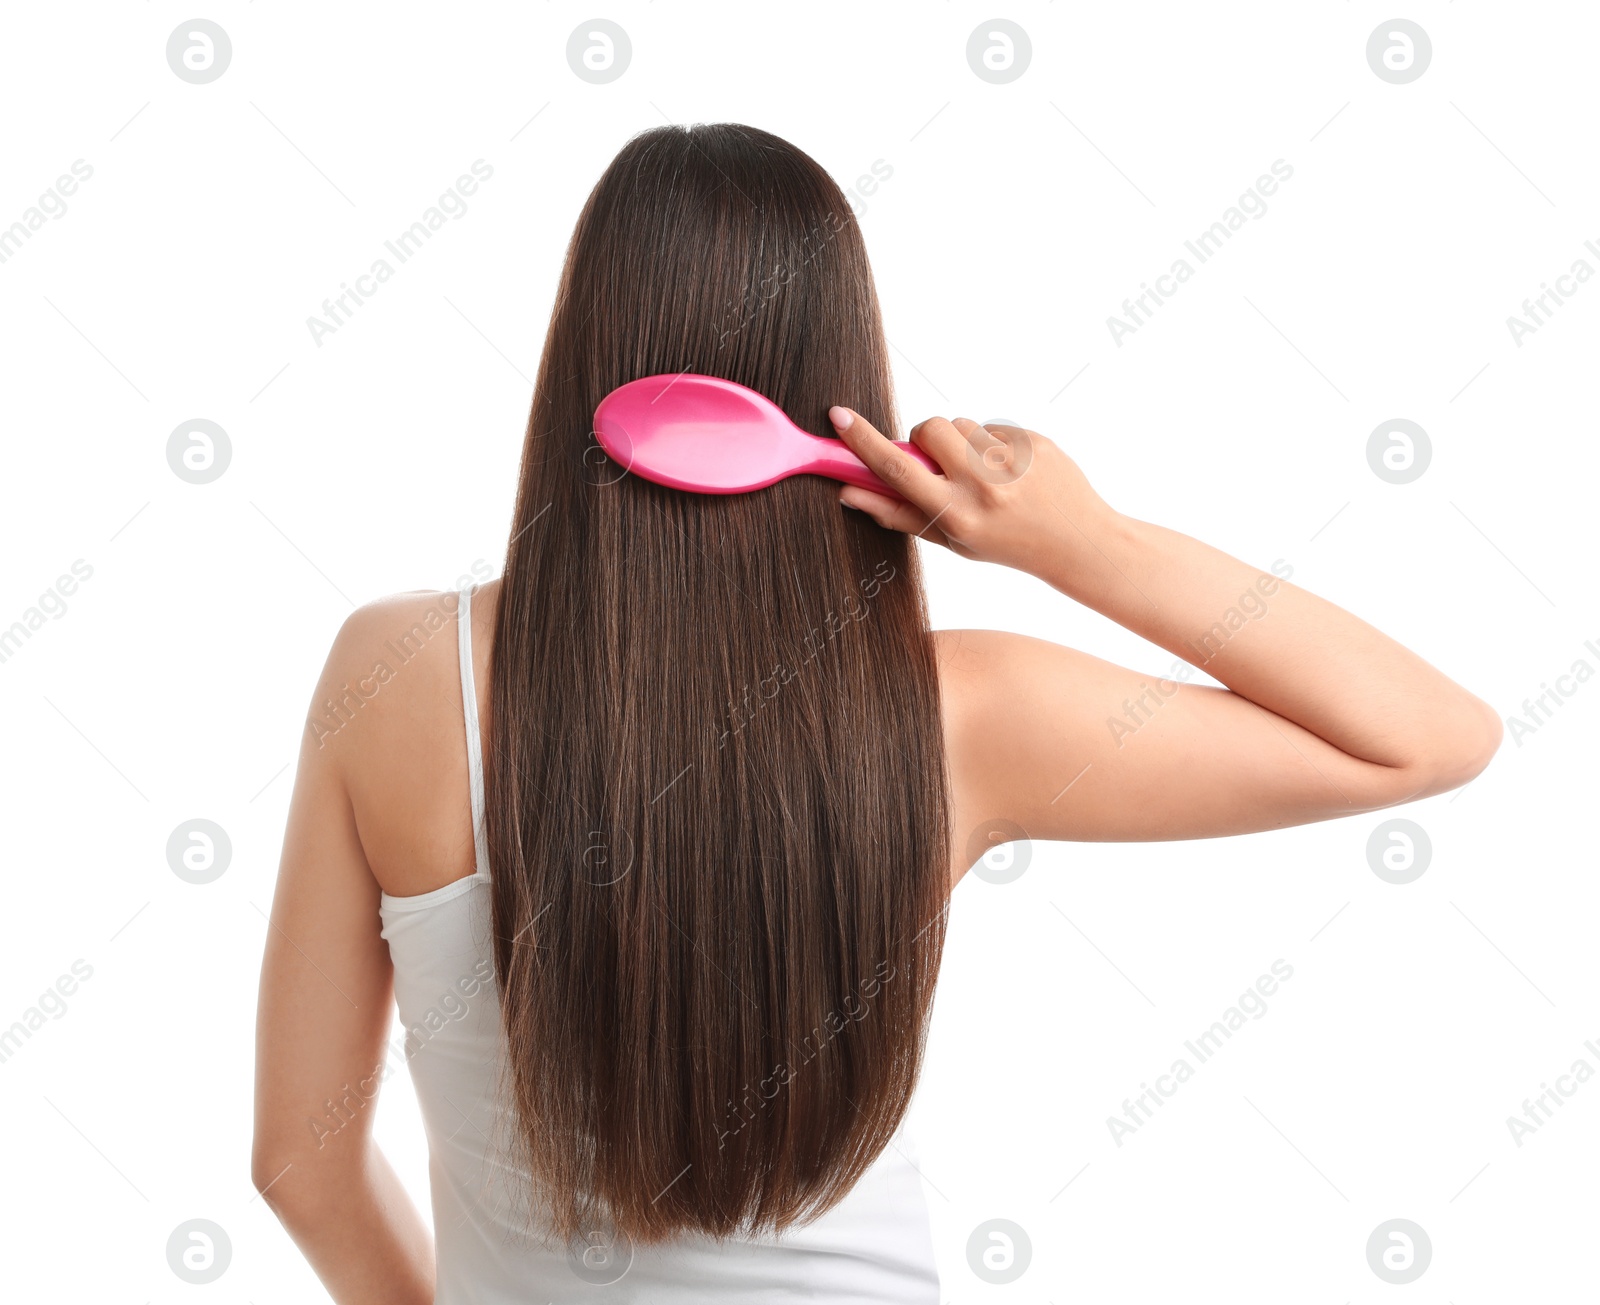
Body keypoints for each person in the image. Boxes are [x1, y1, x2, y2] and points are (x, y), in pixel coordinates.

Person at [252, 123, 1500, 1303]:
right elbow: (1427, 736)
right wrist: (1084, 543)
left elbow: (298, 1165)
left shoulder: (399, 677)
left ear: (577, 360)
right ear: (840, 372)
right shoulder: (962, 712)